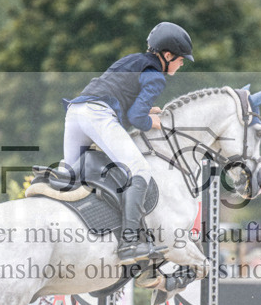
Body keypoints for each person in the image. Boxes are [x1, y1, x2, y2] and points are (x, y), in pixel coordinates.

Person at [62, 21, 194, 264]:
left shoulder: (132, 59)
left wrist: (141, 111)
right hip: (98, 115)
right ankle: (129, 242)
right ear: (167, 55)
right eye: (181, 58)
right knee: (140, 170)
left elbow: (121, 96)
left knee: (69, 175)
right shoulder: (156, 77)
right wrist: (150, 122)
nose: (183, 62)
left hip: (75, 112)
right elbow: (135, 117)